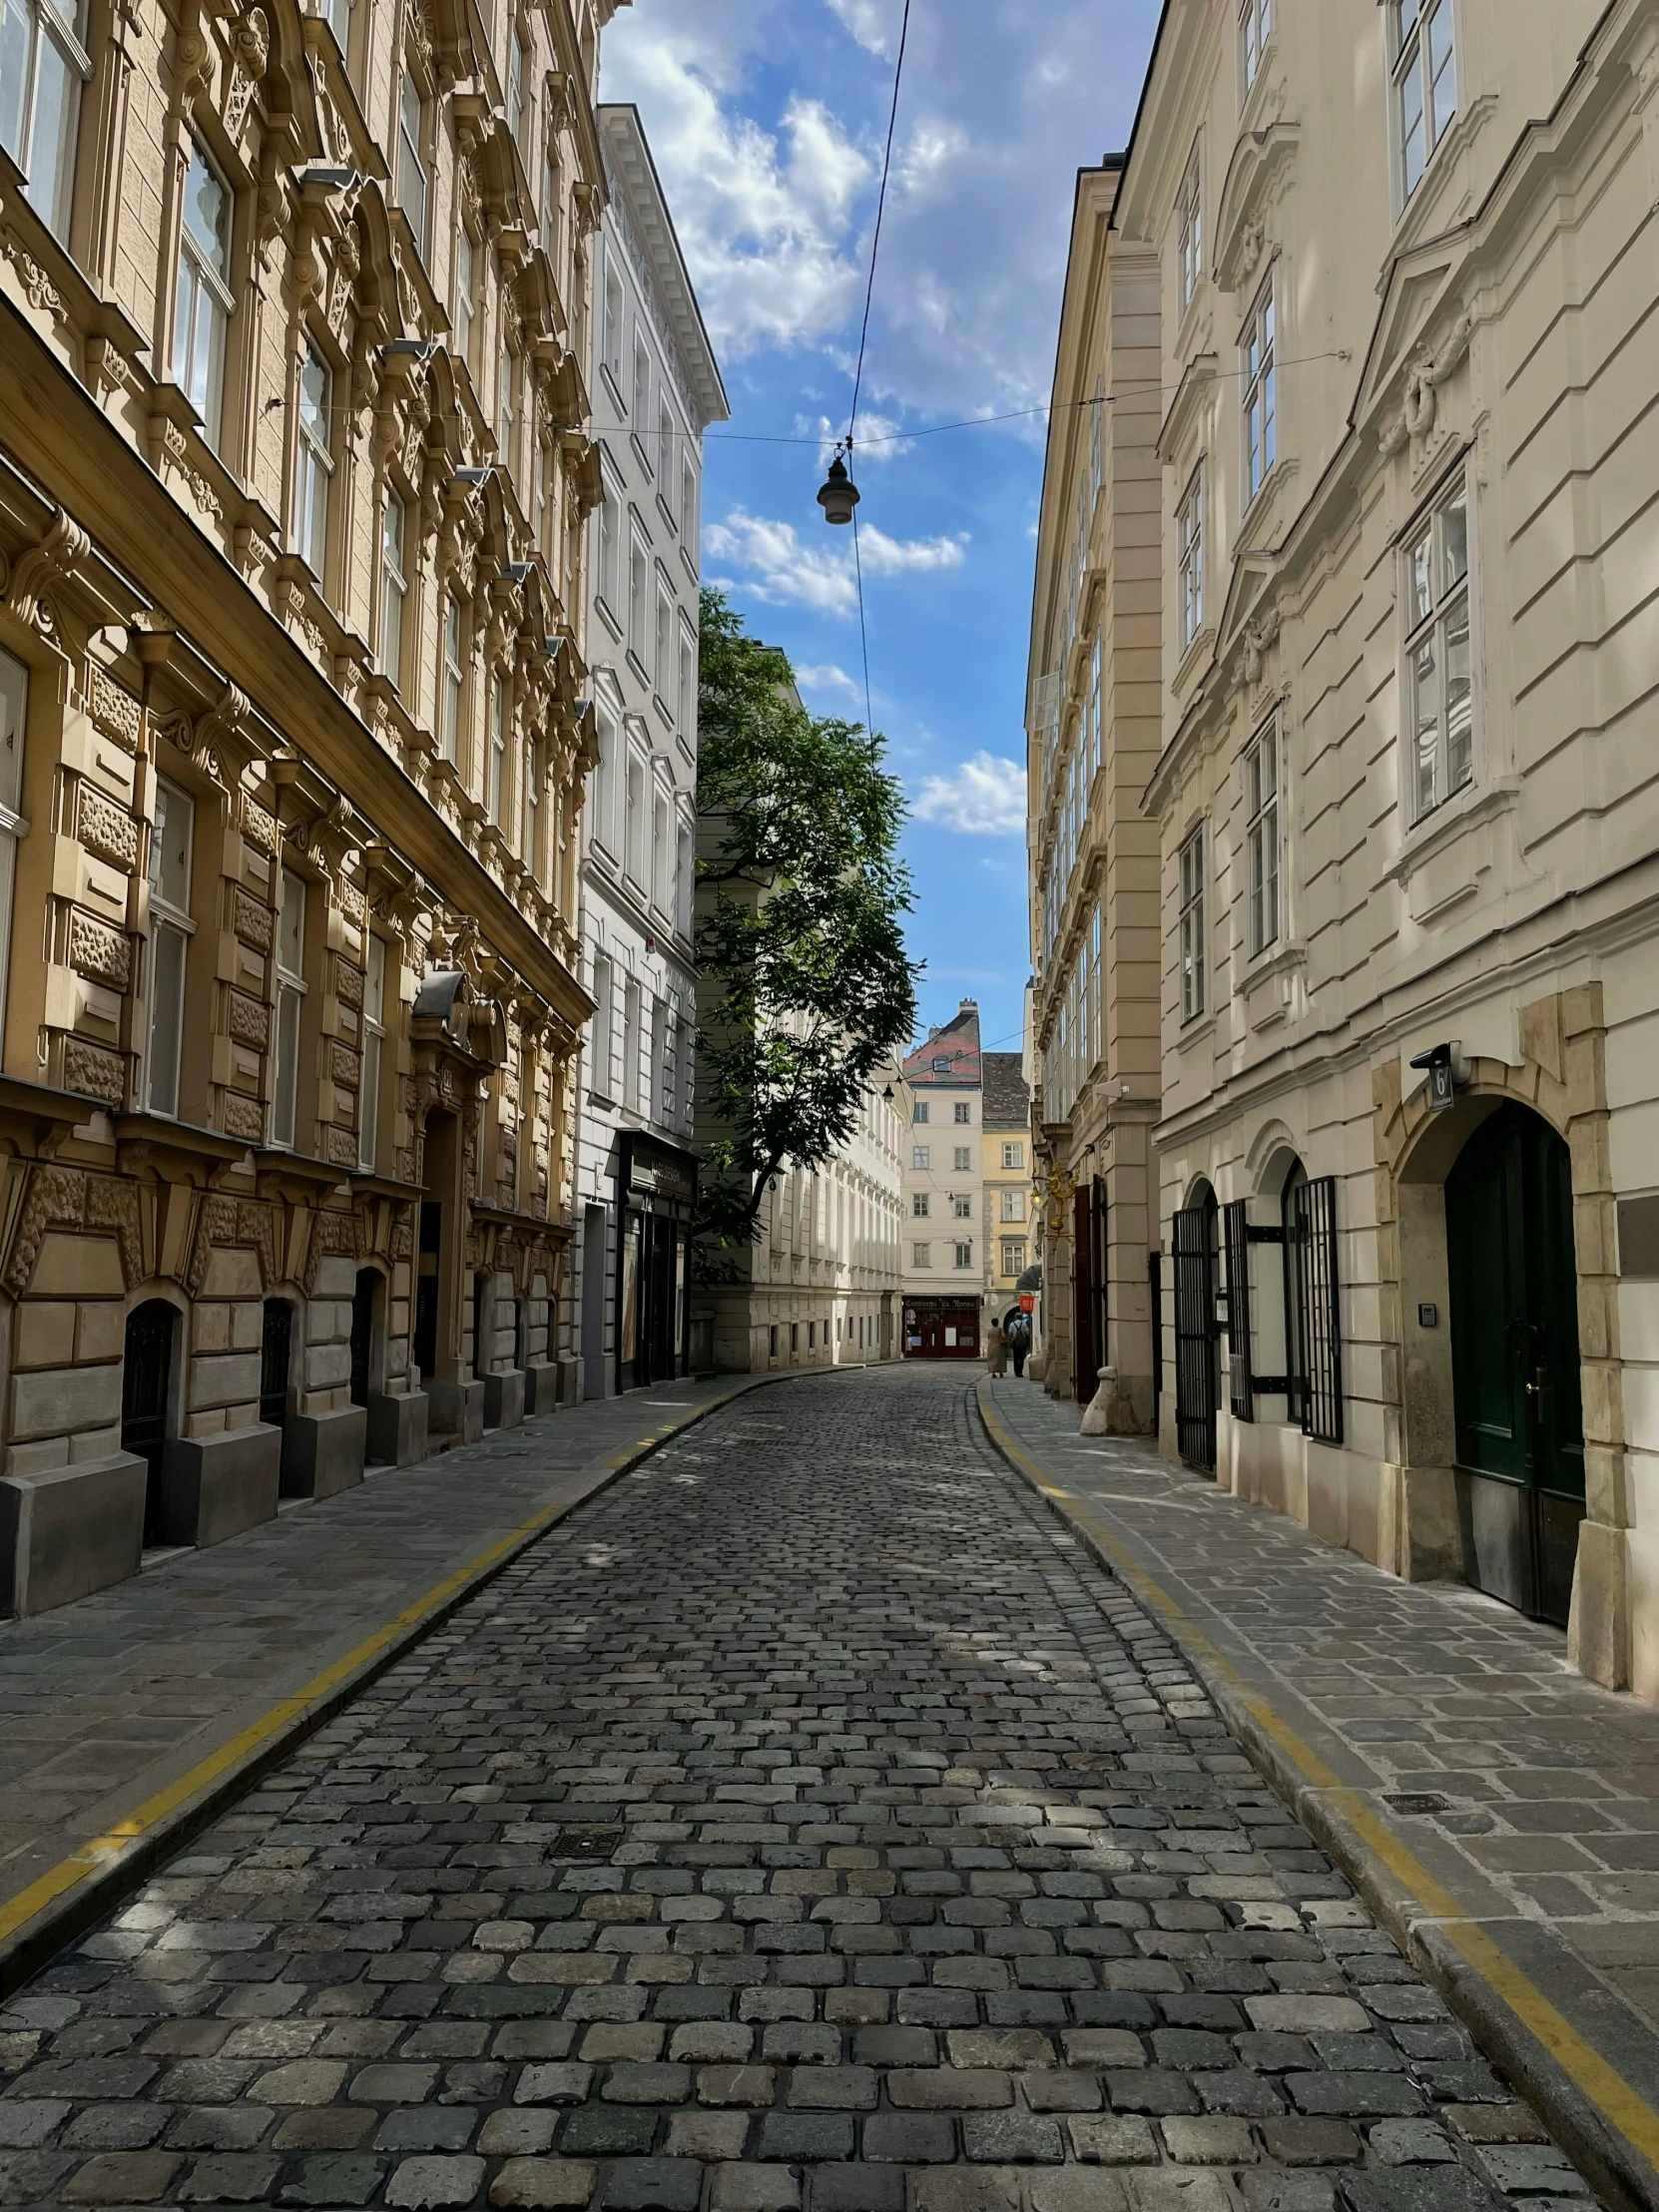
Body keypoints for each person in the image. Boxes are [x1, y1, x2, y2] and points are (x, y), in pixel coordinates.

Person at [1006, 1311, 1031, 1379]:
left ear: (1015, 1317)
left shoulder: (1012, 1324)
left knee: (1015, 1358)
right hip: (1023, 1343)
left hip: (1015, 1342)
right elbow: (1027, 1333)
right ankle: (1020, 1372)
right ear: (1021, 1317)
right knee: (1021, 1358)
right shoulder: (1024, 1324)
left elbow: (1010, 1334)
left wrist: (1010, 1342)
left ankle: (1016, 1372)